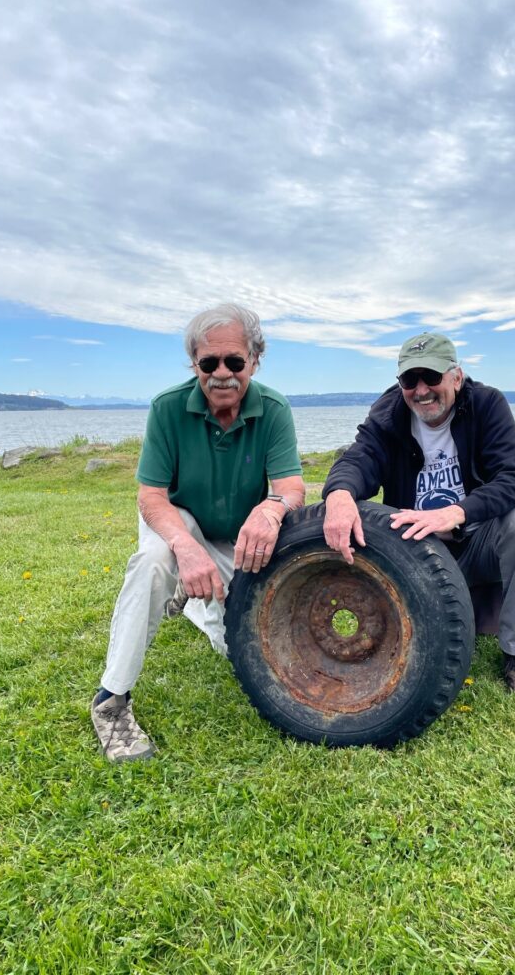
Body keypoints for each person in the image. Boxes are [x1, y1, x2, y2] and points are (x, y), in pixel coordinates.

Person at [91, 304, 305, 762]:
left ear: (255, 359)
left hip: (238, 534)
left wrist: (271, 509)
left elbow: (290, 487)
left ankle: (191, 600)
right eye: (209, 363)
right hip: (179, 520)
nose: (221, 374)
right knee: (153, 564)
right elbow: (150, 497)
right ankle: (110, 701)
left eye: (235, 361)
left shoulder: (274, 409)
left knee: (237, 648)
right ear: (194, 363)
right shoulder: (168, 408)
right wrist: (185, 547)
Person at [322, 332, 515, 703]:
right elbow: (358, 459)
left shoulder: (488, 404)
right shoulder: (389, 413)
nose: (421, 390)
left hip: (474, 542)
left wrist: (456, 513)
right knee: (351, 506)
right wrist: (340, 494)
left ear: (456, 377)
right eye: (410, 380)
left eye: (432, 377)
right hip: (417, 553)